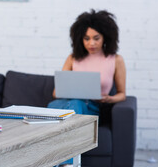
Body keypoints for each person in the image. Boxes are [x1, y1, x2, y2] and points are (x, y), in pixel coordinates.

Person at [48, 9, 126, 166]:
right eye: (86, 38)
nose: (91, 43)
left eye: (96, 38)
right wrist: (65, 89)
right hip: (65, 104)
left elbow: (122, 94)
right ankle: (67, 164)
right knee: (75, 103)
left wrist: (109, 98)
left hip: (93, 108)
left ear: (105, 37)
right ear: (80, 39)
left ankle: (61, 163)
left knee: (77, 105)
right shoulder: (72, 58)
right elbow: (56, 93)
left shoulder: (115, 60)